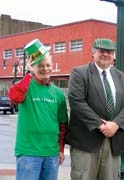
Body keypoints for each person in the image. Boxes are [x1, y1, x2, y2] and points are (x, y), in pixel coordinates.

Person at [65, 38, 124, 180]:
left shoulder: (121, 77)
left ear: (113, 55)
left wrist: (115, 124)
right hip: (86, 142)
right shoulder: (79, 73)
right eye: (101, 51)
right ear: (93, 52)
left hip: (113, 142)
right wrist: (100, 124)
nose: (105, 54)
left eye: (109, 52)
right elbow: (76, 101)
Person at [8, 39, 68, 180]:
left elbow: (63, 125)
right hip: (29, 152)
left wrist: (60, 149)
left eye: (48, 65)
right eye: (40, 66)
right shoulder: (26, 86)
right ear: (33, 67)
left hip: (51, 153)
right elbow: (14, 97)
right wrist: (28, 74)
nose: (45, 69)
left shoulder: (58, 94)